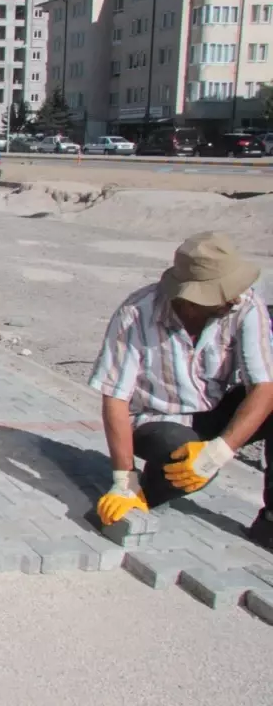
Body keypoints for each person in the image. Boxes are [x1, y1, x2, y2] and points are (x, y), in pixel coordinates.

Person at [89, 231, 273, 549]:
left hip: (211, 410)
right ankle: (145, 488)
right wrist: (124, 480)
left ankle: (269, 523)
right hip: (155, 420)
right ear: (190, 299)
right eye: (222, 293)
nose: (232, 297)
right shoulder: (136, 314)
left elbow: (264, 385)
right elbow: (115, 398)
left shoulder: (244, 305)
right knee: (183, 456)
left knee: (204, 461)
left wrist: (219, 450)